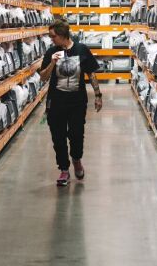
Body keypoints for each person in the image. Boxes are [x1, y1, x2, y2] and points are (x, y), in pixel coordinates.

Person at [39, 19, 102, 186]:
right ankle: (64, 170)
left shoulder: (81, 50)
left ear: (62, 35)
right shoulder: (52, 51)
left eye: (53, 36)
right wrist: (52, 62)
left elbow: (91, 74)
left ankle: (76, 159)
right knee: (58, 137)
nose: (51, 39)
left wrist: (98, 95)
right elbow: (43, 77)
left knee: (76, 135)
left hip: (77, 102)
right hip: (56, 102)